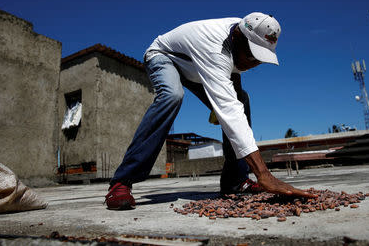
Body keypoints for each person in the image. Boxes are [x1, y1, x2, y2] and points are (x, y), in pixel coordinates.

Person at [105, 12, 316, 210]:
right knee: (172, 95)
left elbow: (234, 74)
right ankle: (121, 182)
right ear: (237, 37)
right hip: (165, 56)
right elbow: (230, 109)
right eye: (252, 55)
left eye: (260, 59)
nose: (254, 64)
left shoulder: (246, 31)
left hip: (196, 67)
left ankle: (236, 181)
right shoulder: (216, 48)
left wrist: (231, 95)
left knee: (241, 99)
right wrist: (264, 174)